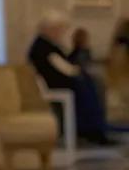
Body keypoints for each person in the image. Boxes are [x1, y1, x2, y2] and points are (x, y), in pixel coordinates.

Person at [29, 13, 114, 145]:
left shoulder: (46, 44)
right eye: (60, 29)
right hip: (58, 84)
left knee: (92, 82)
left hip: (62, 81)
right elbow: (66, 69)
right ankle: (92, 130)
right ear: (51, 29)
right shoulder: (43, 47)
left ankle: (95, 127)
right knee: (88, 85)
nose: (62, 33)